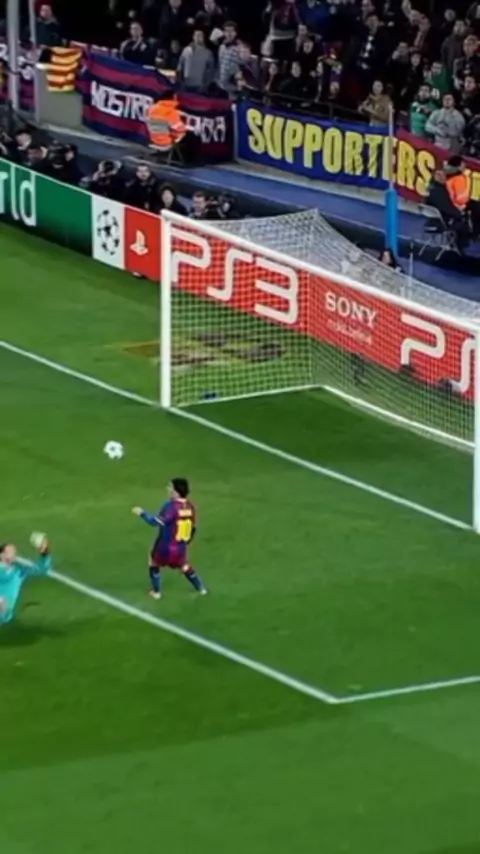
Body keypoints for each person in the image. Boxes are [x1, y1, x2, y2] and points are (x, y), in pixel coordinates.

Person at [132, 478, 207, 599]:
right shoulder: (190, 506)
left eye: (170, 487)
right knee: (184, 566)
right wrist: (186, 542)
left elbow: (155, 522)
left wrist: (142, 513)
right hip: (181, 546)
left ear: (176, 492)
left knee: (153, 562)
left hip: (166, 546)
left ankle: (156, 592)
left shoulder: (171, 507)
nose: (167, 489)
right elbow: (193, 528)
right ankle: (201, 589)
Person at [0, 536, 52, 625]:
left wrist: (44, 552)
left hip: (4, 613)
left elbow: (42, 569)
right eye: (10, 551)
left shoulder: (18, 571)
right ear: (2, 555)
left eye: (14, 552)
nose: (14, 554)